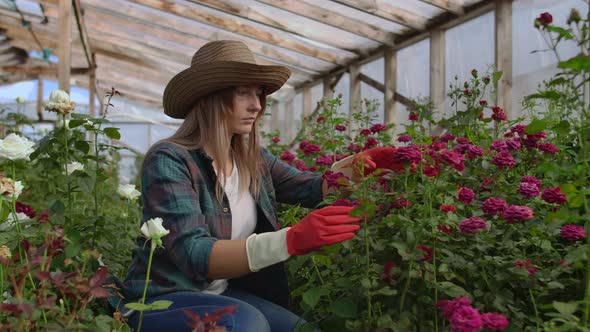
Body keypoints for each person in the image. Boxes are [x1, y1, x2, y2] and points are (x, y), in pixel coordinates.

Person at [109, 40, 362, 332]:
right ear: (209, 97)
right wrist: (289, 240)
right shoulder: (170, 159)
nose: (256, 104)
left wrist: (365, 168)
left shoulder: (253, 160)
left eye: (258, 93)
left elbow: (313, 188)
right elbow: (195, 254)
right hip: (162, 298)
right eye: (243, 93)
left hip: (221, 293)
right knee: (247, 324)